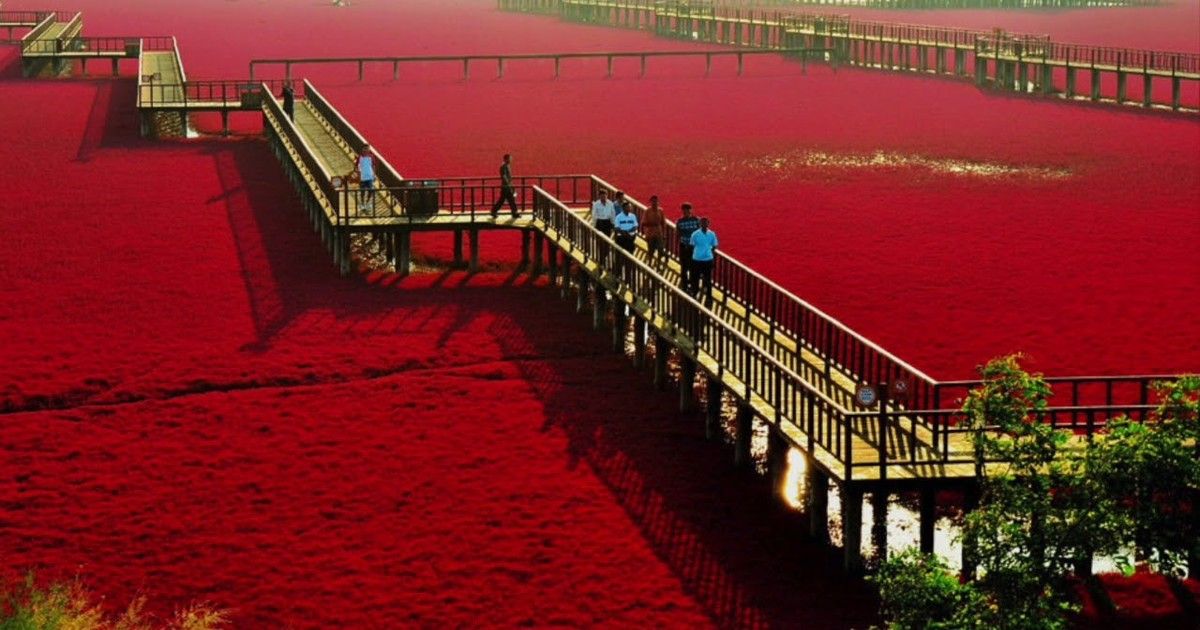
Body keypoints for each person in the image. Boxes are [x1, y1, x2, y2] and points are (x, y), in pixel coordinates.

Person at [689, 217, 718, 305]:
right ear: (700, 224)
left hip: (707, 259)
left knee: (708, 279)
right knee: (695, 278)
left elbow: (714, 245)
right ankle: (695, 293)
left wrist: (710, 255)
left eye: (706, 223)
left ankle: (709, 297)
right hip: (697, 259)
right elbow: (692, 245)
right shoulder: (695, 234)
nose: (704, 225)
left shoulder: (712, 234)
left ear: (708, 224)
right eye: (702, 223)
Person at [676, 203, 701, 292]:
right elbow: (678, 234)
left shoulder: (697, 220)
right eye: (684, 210)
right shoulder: (680, 221)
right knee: (684, 267)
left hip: (694, 248)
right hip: (684, 247)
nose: (686, 212)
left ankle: (693, 285)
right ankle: (684, 285)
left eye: (688, 210)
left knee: (694, 267)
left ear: (691, 210)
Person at [490, 153, 518, 218]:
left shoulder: (507, 166)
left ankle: (514, 212)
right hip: (506, 187)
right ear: (506, 159)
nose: (511, 160)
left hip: (507, 186)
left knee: (509, 200)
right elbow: (504, 176)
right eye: (510, 158)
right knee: (506, 200)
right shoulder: (504, 166)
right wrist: (509, 185)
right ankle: (514, 213)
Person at [641, 195, 666, 263]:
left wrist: (664, 234)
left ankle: (658, 263)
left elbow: (663, 223)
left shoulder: (660, 211)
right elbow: (643, 223)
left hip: (659, 233)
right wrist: (652, 224)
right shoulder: (647, 211)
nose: (655, 203)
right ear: (651, 202)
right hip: (650, 234)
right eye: (653, 201)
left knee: (660, 249)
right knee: (651, 250)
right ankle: (650, 263)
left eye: (656, 201)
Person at [356, 144, 376, 214]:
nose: (366, 150)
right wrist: (358, 175)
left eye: (367, 149)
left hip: (370, 177)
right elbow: (357, 167)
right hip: (362, 177)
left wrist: (374, 175)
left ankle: (368, 203)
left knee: (371, 190)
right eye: (365, 149)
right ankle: (362, 204)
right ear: (362, 149)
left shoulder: (372, 157)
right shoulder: (360, 157)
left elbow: (373, 166)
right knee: (362, 191)